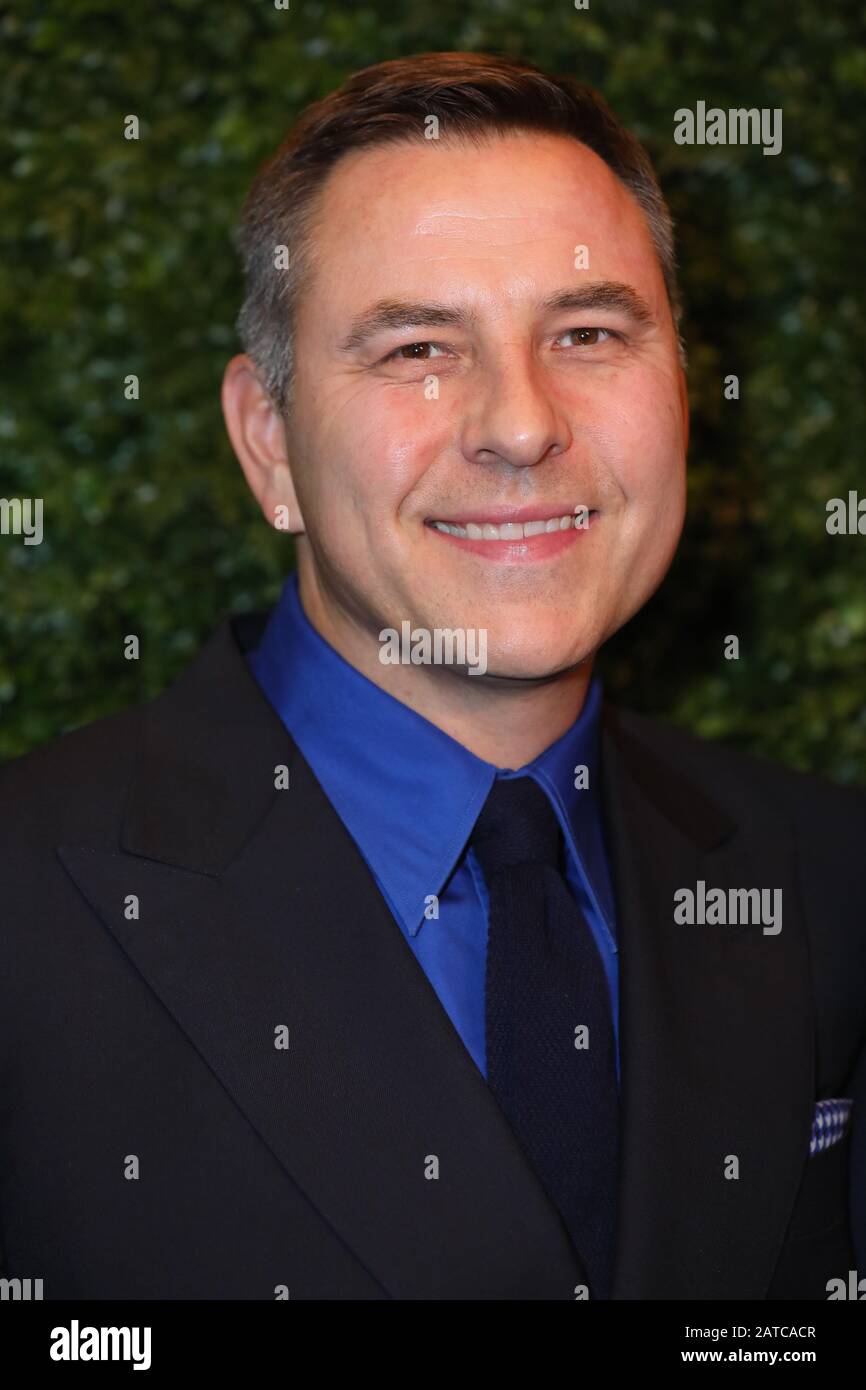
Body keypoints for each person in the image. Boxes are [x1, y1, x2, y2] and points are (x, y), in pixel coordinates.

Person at [1, 51, 863, 1301]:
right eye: (415, 348)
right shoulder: (26, 908)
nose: (519, 424)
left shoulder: (827, 879)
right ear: (268, 445)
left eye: (586, 331)